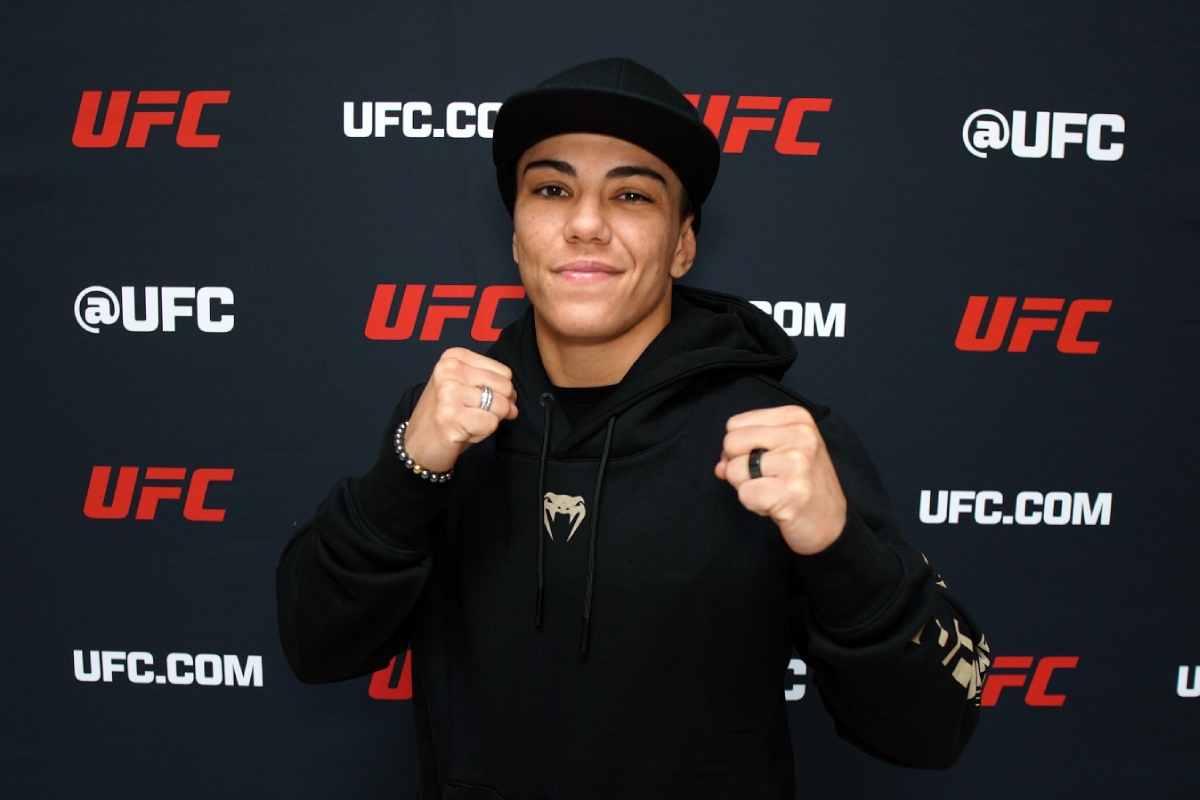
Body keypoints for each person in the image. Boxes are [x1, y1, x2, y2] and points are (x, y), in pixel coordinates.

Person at [277, 57, 989, 799]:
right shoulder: (445, 426)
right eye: (553, 190)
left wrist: (840, 549)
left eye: (631, 195)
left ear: (683, 245)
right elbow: (315, 644)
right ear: (516, 235)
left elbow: (933, 727)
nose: (586, 224)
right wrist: (408, 474)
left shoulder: (774, 437)